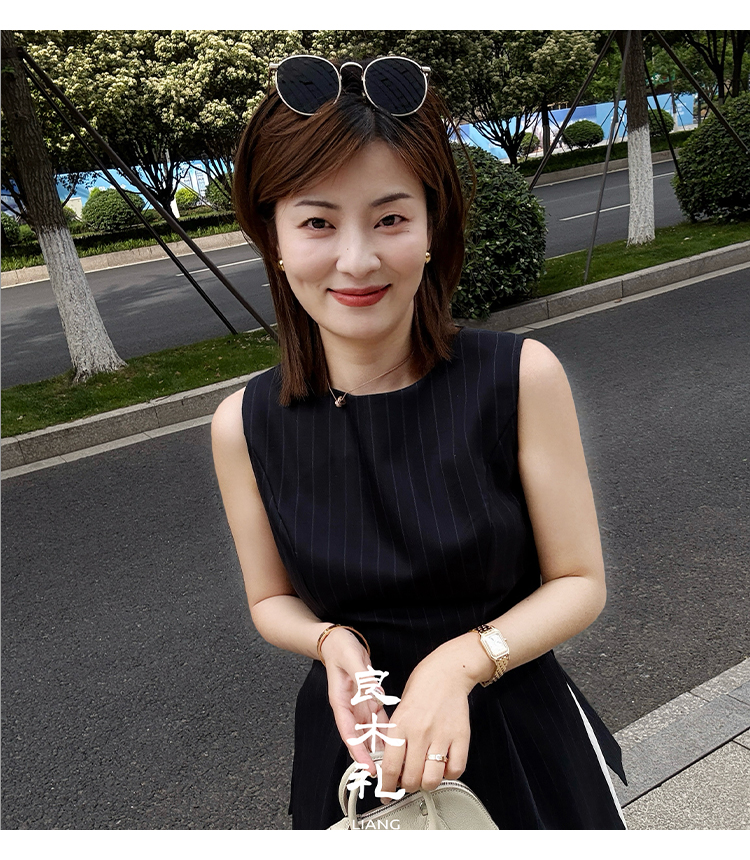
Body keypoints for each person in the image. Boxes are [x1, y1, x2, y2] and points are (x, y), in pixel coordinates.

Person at [211, 54, 627, 829]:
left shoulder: (519, 377)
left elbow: (579, 580)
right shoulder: (244, 423)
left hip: (519, 735)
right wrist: (329, 641)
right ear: (273, 236)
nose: (357, 259)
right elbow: (269, 599)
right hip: (356, 751)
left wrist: (461, 663)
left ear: (432, 226)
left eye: (391, 218)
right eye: (317, 222)